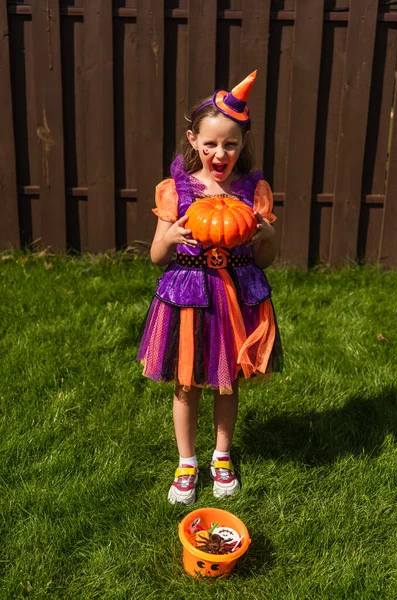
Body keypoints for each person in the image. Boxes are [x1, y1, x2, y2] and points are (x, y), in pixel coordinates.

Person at [137, 70, 282, 505]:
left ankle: (221, 455)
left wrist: (269, 238)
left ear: (242, 143)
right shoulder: (177, 191)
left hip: (234, 296)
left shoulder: (251, 192)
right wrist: (169, 238)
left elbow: (263, 259)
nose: (220, 152)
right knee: (185, 382)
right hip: (188, 295)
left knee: (226, 381)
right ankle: (187, 462)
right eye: (212, 143)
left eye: (230, 143)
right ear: (193, 140)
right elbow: (156, 257)